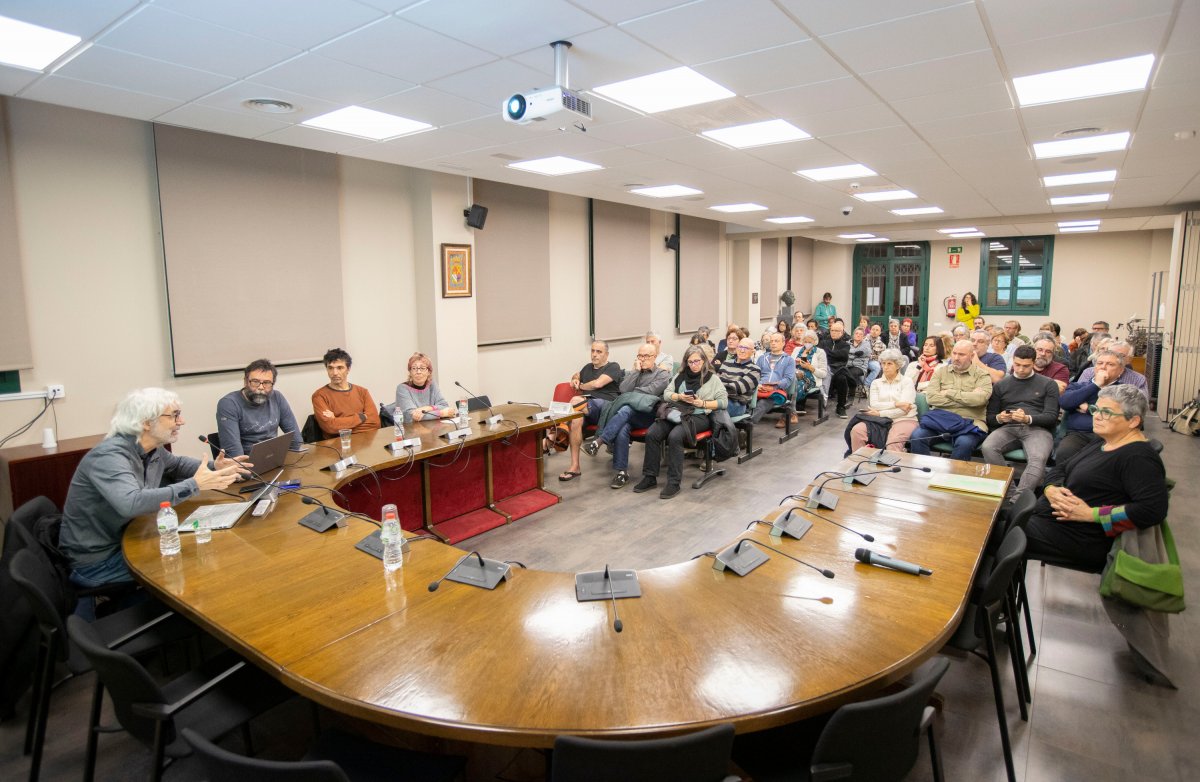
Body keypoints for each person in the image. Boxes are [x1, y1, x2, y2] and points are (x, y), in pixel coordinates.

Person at [59, 388, 247, 589]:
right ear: (146, 422)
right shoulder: (109, 456)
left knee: (203, 550)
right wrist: (196, 485)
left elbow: (177, 465)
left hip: (129, 538)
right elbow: (131, 504)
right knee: (198, 563)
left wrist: (214, 467)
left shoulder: (151, 448)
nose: (181, 422)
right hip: (98, 561)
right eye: (174, 416)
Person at [1025, 385, 1168, 573]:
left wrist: (1090, 514)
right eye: (1095, 409)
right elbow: (1062, 467)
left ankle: (988, 595)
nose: (1096, 416)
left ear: (1133, 421)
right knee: (994, 519)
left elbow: (1152, 510)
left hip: (1082, 537)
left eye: (1106, 412)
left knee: (993, 533)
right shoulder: (1104, 440)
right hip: (1054, 521)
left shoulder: (1138, 458)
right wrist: (1051, 488)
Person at [633, 345, 727, 499]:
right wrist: (680, 397)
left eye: (697, 361)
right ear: (686, 362)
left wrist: (702, 403)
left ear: (704, 361)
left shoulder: (712, 378)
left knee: (675, 437)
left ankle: (674, 482)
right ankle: (650, 477)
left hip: (699, 416)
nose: (694, 365)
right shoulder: (680, 376)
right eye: (690, 362)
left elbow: (723, 402)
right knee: (652, 433)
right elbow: (667, 394)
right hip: (677, 411)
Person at [584, 344, 671, 489]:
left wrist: (630, 394)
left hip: (648, 415)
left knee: (626, 407)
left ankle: (598, 441)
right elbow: (623, 389)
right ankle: (622, 472)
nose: (642, 359)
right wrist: (636, 372)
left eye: (646, 356)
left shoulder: (662, 374)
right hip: (631, 414)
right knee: (623, 427)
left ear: (654, 357)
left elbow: (649, 393)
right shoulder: (635, 372)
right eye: (640, 356)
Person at [981, 345, 1060, 492]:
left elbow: (1051, 417)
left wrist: (1027, 418)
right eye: (1017, 365)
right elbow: (990, 417)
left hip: (1038, 429)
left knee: (1038, 458)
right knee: (988, 447)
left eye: (1026, 366)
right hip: (1009, 427)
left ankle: (1019, 498)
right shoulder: (1001, 385)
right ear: (1012, 361)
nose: (1021, 369)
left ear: (1034, 363)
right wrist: (1000, 418)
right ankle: (1009, 491)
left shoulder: (1048, 384)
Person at [908, 340, 993, 460]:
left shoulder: (982, 375)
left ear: (972, 356)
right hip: (940, 420)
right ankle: (924, 474)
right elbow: (931, 398)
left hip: (970, 422)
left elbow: (980, 400)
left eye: (961, 354)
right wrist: (967, 399)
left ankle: (952, 478)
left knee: (964, 443)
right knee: (917, 437)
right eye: (954, 353)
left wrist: (948, 393)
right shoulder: (941, 372)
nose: (956, 358)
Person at [559, 340, 622, 481]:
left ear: (606, 354)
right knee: (576, 419)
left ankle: (557, 430)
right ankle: (575, 467)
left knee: (575, 400)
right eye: (593, 351)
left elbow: (597, 384)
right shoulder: (587, 368)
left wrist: (581, 386)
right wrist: (575, 379)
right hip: (586, 408)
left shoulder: (613, 366)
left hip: (606, 406)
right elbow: (576, 375)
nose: (594, 354)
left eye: (599, 352)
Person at [216, 358, 304, 457]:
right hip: (247, 464)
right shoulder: (229, 404)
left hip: (272, 459)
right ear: (245, 381)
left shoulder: (277, 397)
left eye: (266, 383)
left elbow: (296, 439)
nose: (261, 387)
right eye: (255, 382)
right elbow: (234, 453)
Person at [1057, 349, 1131, 462]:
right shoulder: (1078, 386)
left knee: (1100, 461)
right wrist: (1096, 385)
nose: (1103, 367)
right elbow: (1065, 402)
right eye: (1100, 363)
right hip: (1079, 434)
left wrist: (1088, 408)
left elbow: (1119, 416)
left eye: (1110, 364)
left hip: (1110, 436)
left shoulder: (1124, 391)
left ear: (1120, 370)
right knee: (1064, 452)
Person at [849, 349, 917, 453]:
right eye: (883, 363)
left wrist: (880, 413)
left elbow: (904, 410)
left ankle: (893, 468)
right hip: (880, 420)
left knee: (892, 443)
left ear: (898, 365)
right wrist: (896, 403)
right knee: (857, 431)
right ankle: (860, 463)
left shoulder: (907, 382)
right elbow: (875, 405)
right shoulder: (876, 383)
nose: (885, 367)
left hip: (904, 419)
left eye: (889, 364)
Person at [312, 347, 380, 436]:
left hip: (366, 442)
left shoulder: (362, 392)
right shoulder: (319, 396)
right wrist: (361, 417)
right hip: (338, 445)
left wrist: (337, 421)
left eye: (340, 368)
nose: (335, 373)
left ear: (348, 369)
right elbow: (330, 427)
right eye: (330, 368)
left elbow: (375, 423)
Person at [394, 352, 457, 424]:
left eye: (422, 368)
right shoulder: (402, 388)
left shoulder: (432, 385)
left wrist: (426, 409)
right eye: (414, 368)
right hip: (411, 432)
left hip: (432, 429)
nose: (418, 372)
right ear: (410, 372)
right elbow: (412, 416)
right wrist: (441, 413)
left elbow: (444, 405)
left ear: (429, 372)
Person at [1077, 340, 1148, 398]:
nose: (1115, 358)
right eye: (1112, 354)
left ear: (1129, 359)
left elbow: (1141, 406)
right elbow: (1077, 395)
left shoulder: (1138, 379)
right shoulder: (1089, 372)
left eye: (1121, 355)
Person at [751, 332, 796, 424]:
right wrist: (758, 384)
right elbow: (755, 374)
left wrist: (774, 387)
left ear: (783, 343)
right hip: (759, 388)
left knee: (762, 404)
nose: (773, 343)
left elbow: (788, 380)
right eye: (771, 341)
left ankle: (747, 425)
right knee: (743, 400)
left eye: (776, 341)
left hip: (775, 392)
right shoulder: (762, 358)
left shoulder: (789, 360)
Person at [718, 337, 762, 418]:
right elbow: (716, 382)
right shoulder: (726, 363)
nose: (742, 350)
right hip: (720, 398)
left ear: (752, 352)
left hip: (737, 404)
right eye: (740, 347)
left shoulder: (755, 369)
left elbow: (737, 388)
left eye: (746, 348)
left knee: (712, 409)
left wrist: (718, 388)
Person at [819, 319, 853, 418]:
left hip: (838, 369)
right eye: (832, 330)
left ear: (842, 333)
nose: (834, 333)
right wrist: (831, 354)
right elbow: (820, 355)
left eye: (837, 331)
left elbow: (842, 356)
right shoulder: (824, 342)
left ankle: (841, 407)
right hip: (824, 368)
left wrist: (827, 352)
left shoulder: (845, 345)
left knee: (842, 378)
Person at [791, 329, 827, 419]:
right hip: (795, 374)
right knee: (788, 382)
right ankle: (787, 406)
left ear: (815, 342)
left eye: (809, 342)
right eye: (805, 341)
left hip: (810, 378)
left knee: (798, 384)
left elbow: (823, 373)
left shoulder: (820, 352)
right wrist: (795, 363)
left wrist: (810, 367)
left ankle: (790, 410)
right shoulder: (797, 350)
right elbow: (789, 364)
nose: (807, 343)